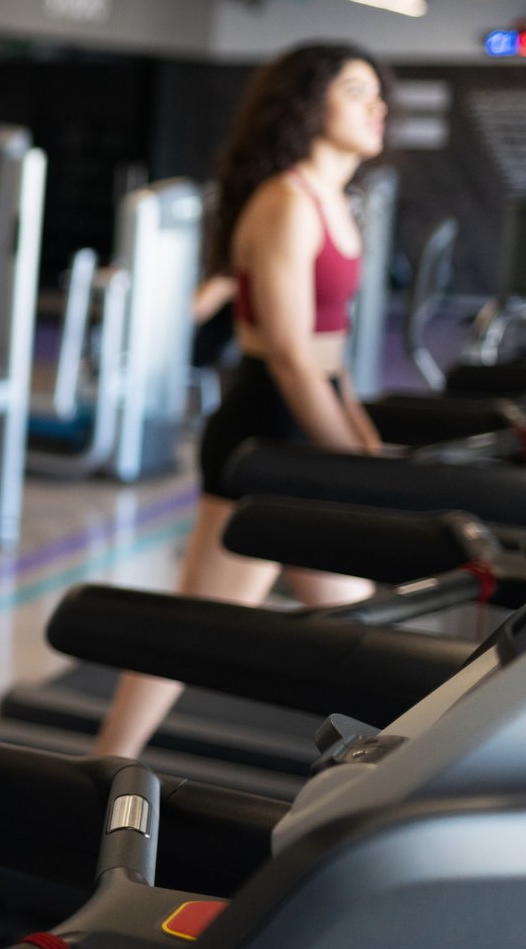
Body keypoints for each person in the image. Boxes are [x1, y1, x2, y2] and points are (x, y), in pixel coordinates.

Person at [94, 42, 387, 759]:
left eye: (377, 93)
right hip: (268, 437)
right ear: (309, 105)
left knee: (362, 633)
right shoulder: (287, 201)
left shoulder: (335, 203)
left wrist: (369, 446)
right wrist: (354, 463)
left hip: (305, 425)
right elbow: (289, 355)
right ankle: (104, 764)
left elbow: (332, 357)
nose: (377, 106)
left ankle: (392, 771)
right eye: (356, 91)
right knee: (206, 628)